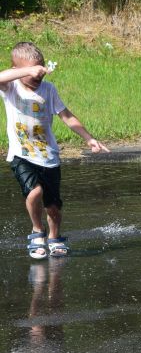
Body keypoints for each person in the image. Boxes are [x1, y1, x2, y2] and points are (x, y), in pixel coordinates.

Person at [1, 42, 110, 259]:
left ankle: (54, 236)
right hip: (22, 154)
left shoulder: (48, 90)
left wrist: (89, 138)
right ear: (17, 70)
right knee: (34, 192)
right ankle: (37, 231)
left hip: (48, 156)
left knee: (53, 207)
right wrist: (26, 71)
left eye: (40, 69)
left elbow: (66, 116)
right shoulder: (11, 88)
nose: (38, 75)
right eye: (32, 71)